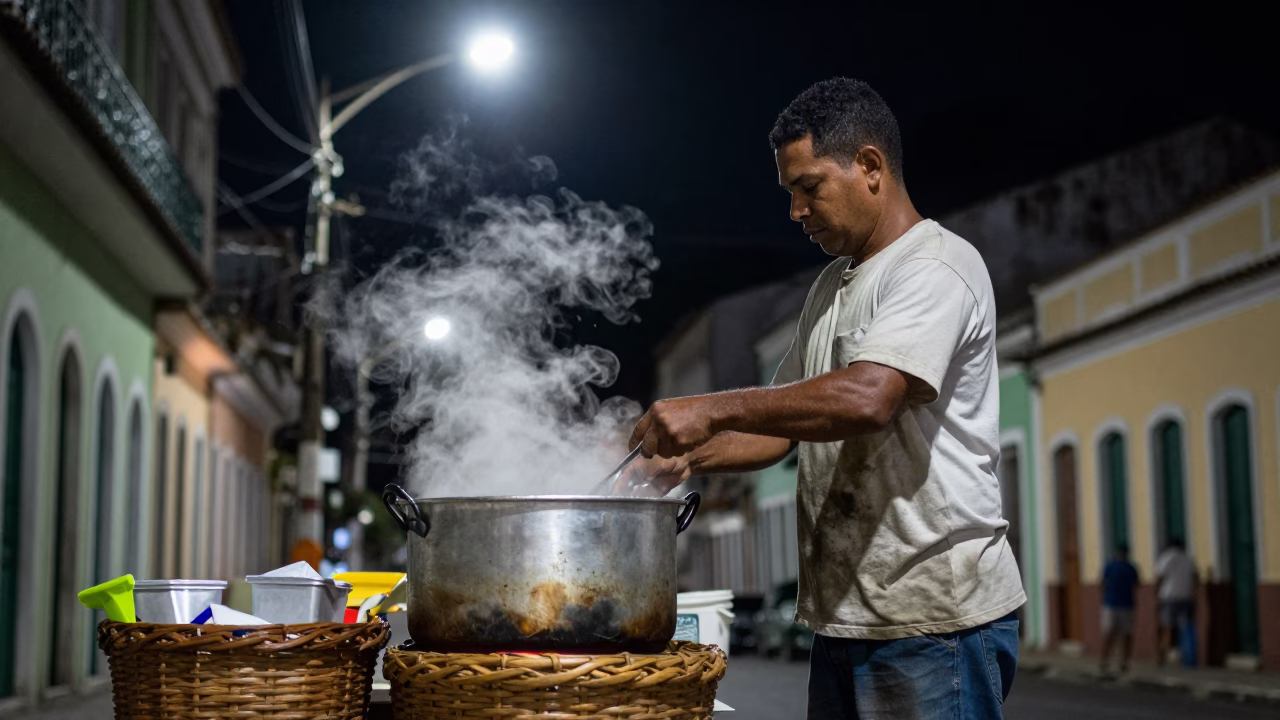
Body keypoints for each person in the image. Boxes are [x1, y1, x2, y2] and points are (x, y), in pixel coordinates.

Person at [625, 78, 1025, 719]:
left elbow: (868, 398)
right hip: (846, 618)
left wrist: (708, 409)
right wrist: (687, 457)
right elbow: (787, 423)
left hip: (932, 622)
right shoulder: (830, 289)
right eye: (790, 194)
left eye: (809, 188)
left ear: (870, 166)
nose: (796, 211)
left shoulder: (935, 267)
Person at [1154, 539, 1197, 666]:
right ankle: (1189, 658)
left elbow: (1160, 577)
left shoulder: (1166, 558)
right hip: (1186, 597)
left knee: (1167, 628)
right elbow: (1195, 577)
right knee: (1187, 628)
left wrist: (1156, 595)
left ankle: (1162, 658)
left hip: (1169, 597)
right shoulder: (1188, 559)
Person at [1099, 544, 1139, 674]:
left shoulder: (1110, 567)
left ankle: (1107, 661)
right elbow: (1137, 584)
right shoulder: (1130, 568)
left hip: (1112, 604)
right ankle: (1121, 662)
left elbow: (1102, 584)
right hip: (1124, 604)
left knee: (1111, 634)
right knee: (1123, 635)